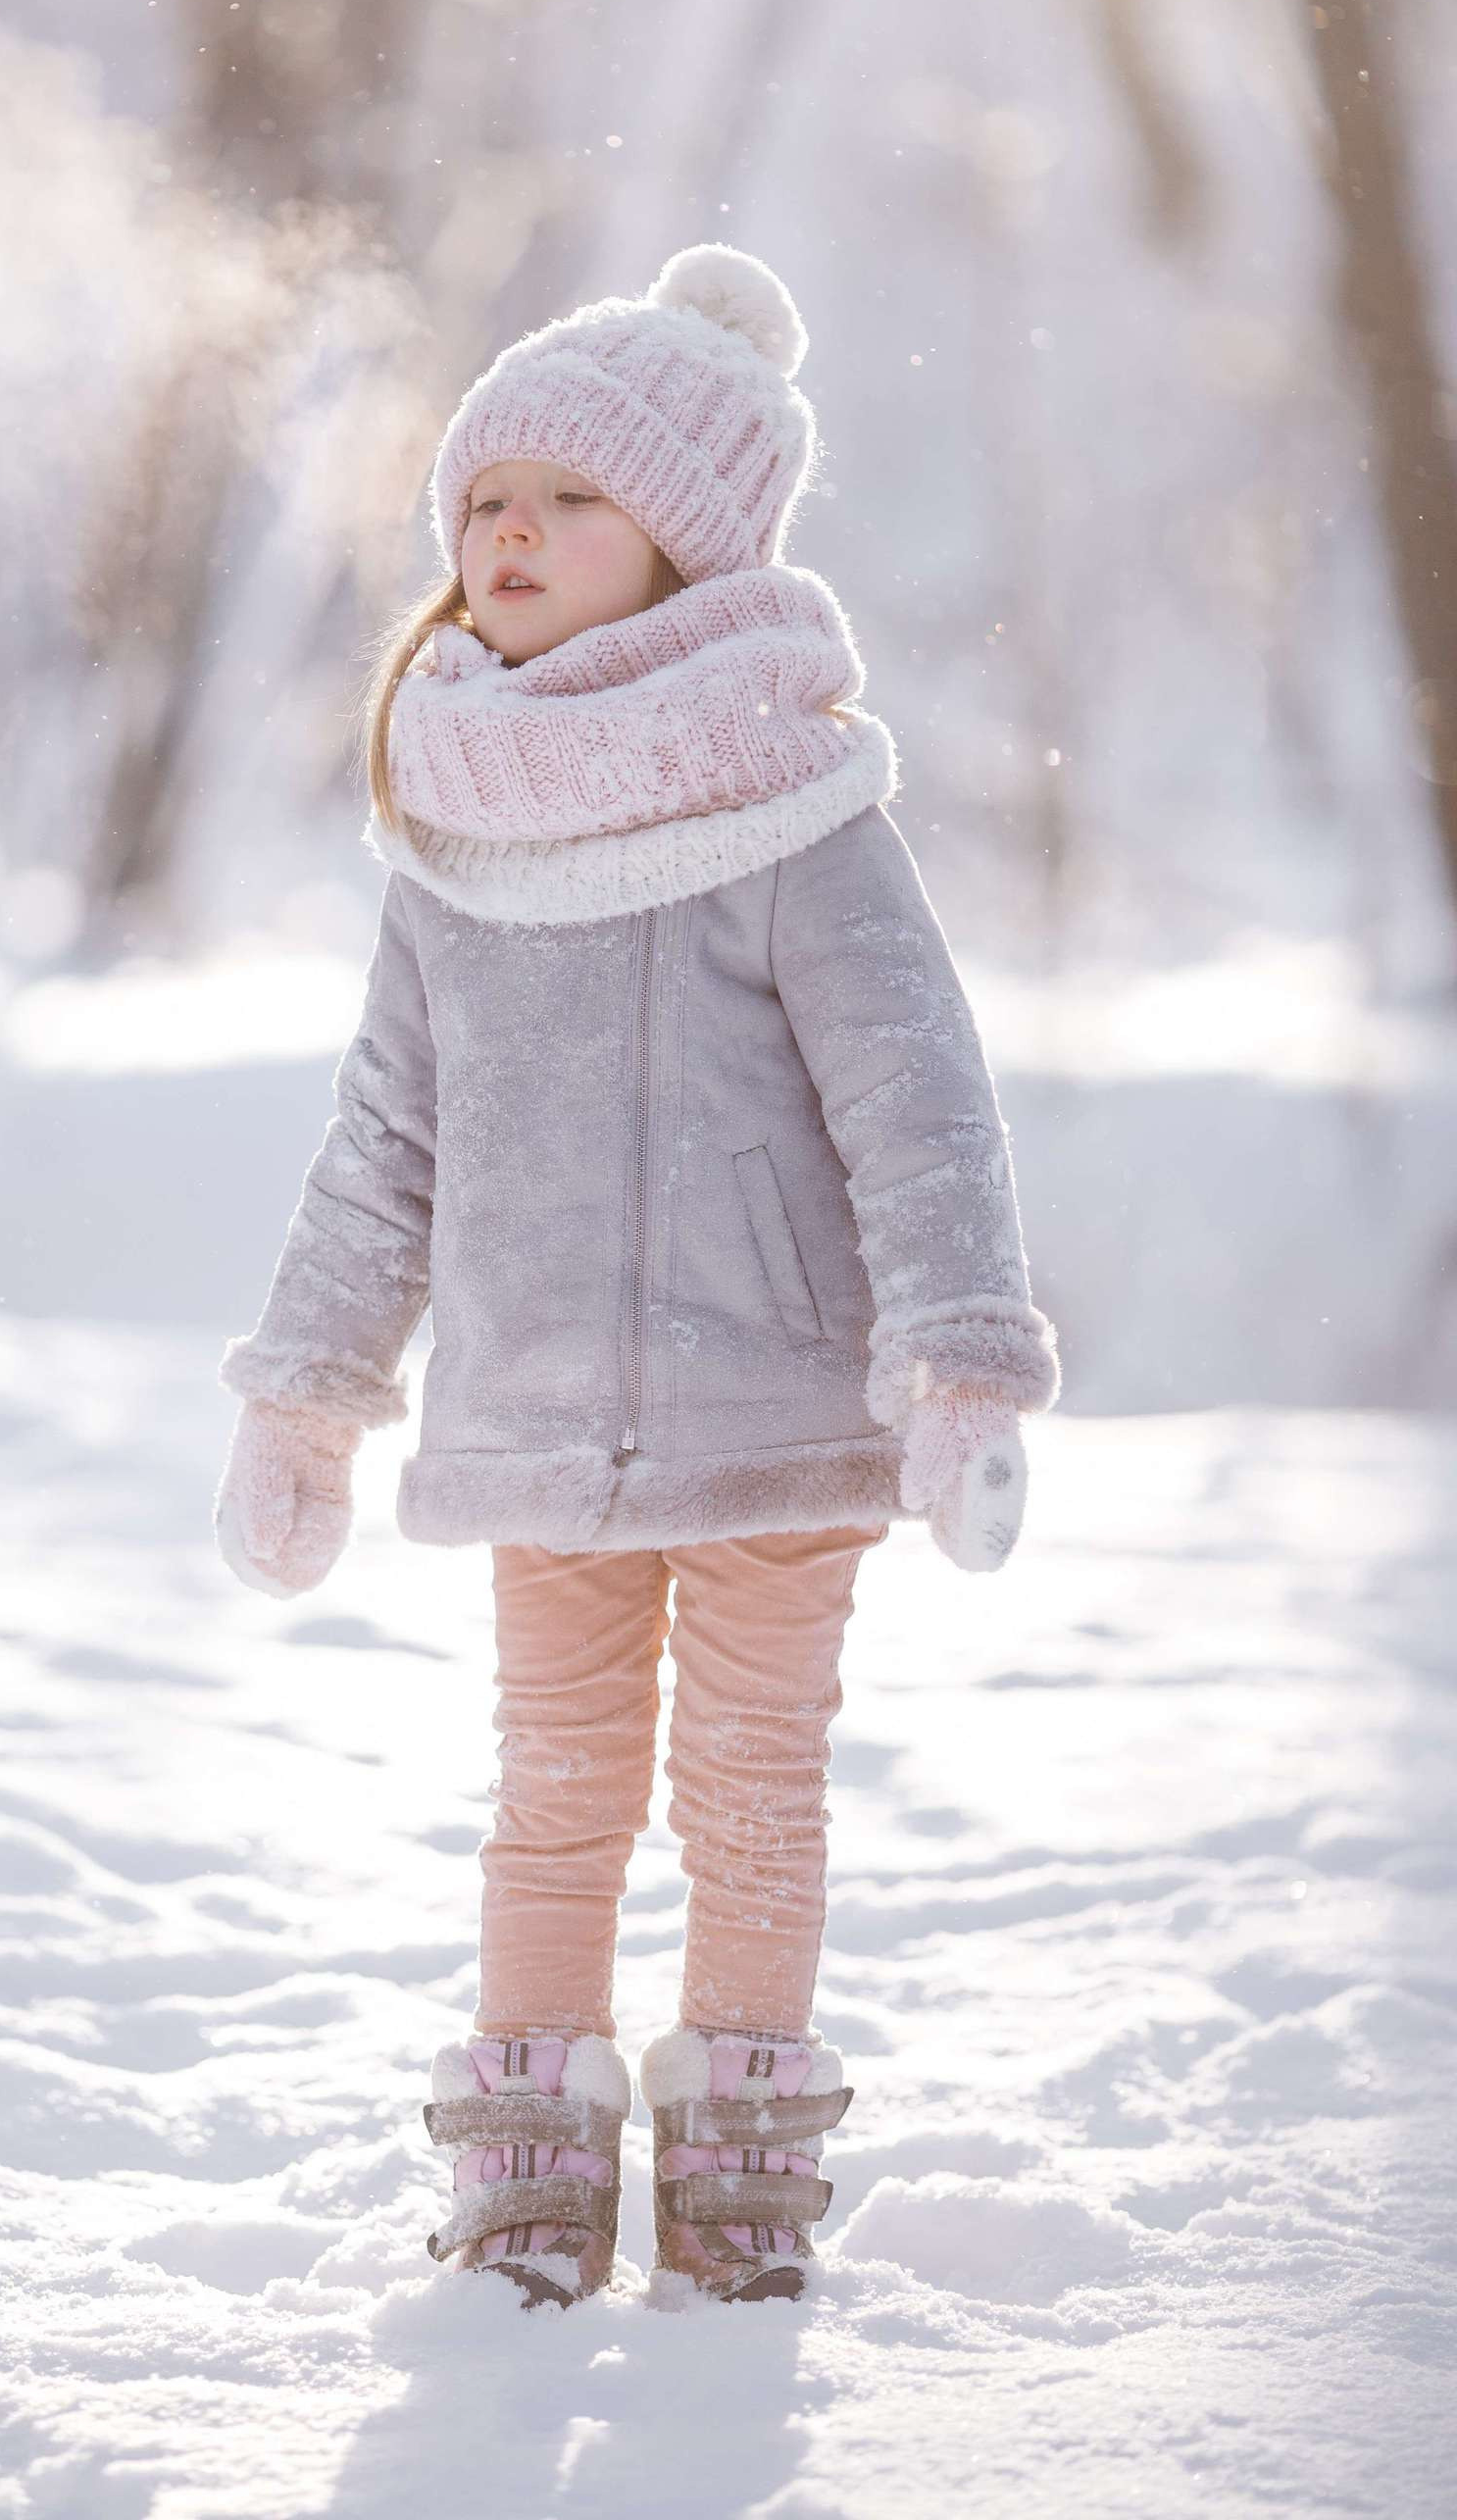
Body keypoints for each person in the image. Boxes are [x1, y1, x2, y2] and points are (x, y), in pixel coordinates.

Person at [213, 243, 1061, 2310]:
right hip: (529, 1418)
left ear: (683, 543)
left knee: (754, 1794)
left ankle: (741, 2168)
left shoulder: (792, 806)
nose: (508, 533)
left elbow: (913, 1097)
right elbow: (386, 1141)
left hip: (774, 1412)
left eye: (568, 499)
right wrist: (305, 1388)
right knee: (554, 1795)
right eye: (483, 501)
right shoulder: (456, 824)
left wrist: (956, 1356)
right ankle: (526, 2165)